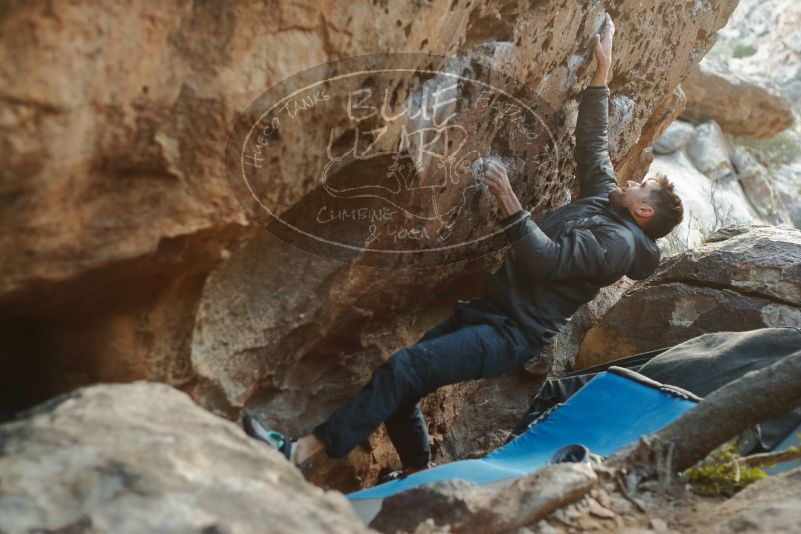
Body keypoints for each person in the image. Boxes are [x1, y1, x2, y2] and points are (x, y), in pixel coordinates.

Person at [242, 13, 684, 478]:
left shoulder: (616, 244)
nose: (632, 179)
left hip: (510, 334)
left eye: (642, 187)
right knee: (403, 385)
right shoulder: (607, 202)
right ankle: (417, 472)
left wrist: (510, 202)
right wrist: (603, 70)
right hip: (489, 311)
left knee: (405, 367)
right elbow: (592, 145)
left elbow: (547, 261)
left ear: (644, 213)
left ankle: (299, 452)